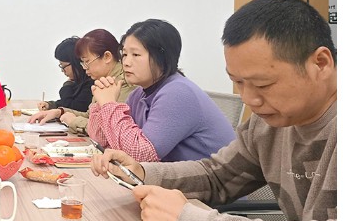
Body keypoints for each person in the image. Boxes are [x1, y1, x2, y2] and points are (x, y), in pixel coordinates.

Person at [91, 0, 337, 221]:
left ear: (320, 63)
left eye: (263, 84)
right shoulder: (267, 125)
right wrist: (142, 172)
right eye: (238, 82)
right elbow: (217, 176)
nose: (249, 99)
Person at [86, 19, 236, 161]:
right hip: (171, 176)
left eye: (136, 54)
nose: (126, 62)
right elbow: (103, 143)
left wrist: (109, 105)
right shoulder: (138, 94)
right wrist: (100, 105)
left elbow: (141, 155)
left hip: (213, 178)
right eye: (124, 54)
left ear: (162, 57)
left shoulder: (178, 92)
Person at [29, 29, 136, 135]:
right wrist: (59, 112)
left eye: (87, 61)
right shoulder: (103, 81)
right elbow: (90, 116)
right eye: (82, 63)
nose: (84, 68)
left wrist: (74, 121)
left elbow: (110, 132)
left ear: (107, 57)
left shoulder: (123, 83)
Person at [37, 36, 93, 113]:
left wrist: (67, 85)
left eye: (63, 66)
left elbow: (72, 107)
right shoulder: (79, 81)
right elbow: (67, 102)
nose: (62, 70)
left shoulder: (91, 83)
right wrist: (50, 105)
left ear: (76, 62)